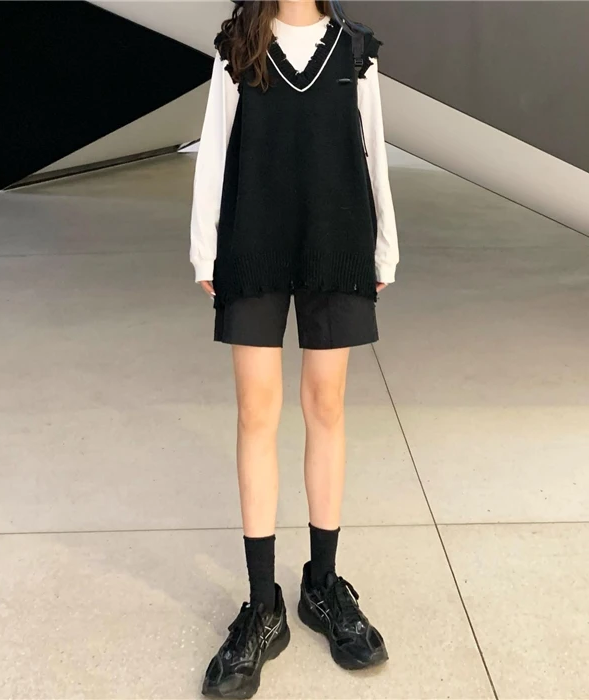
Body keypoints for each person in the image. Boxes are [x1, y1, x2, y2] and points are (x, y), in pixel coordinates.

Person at [190, 0, 399, 696]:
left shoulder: (356, 51)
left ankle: (323, 586)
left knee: (326, 407)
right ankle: (262, 606)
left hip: (336, 241)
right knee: (256, 412)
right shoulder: (237, 48)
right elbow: (215, 148)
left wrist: (384, 245)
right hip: (252, 241)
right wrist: (205, 246)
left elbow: (372, 151)